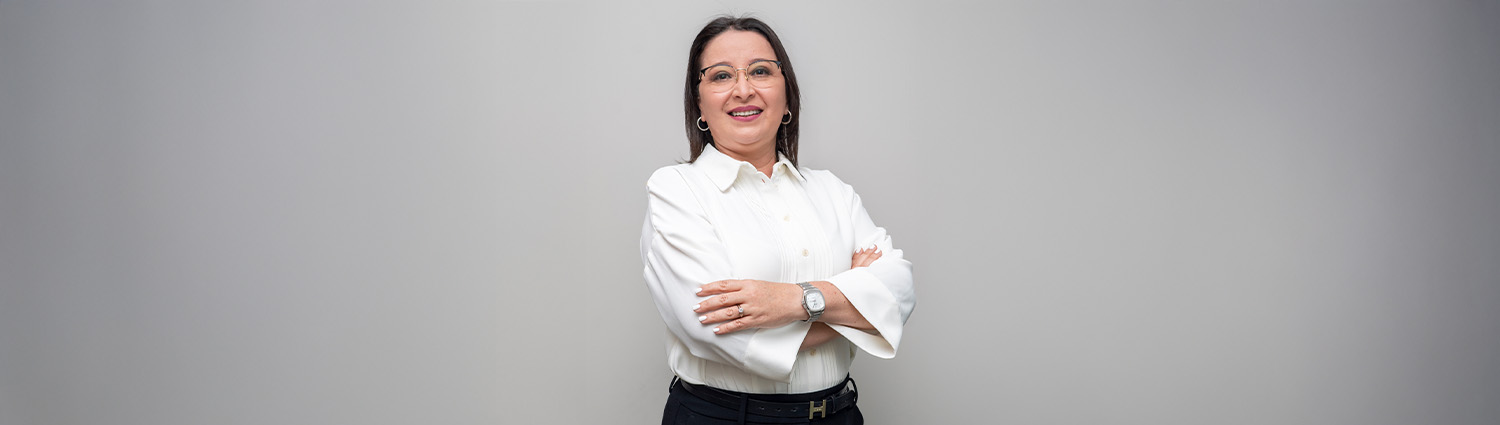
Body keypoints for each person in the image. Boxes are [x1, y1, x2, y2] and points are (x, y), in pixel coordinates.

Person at [641, 16, 916, 425]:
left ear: (787, 97)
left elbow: (898, 291)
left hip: (840, 415)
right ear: (699, 104)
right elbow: (720, 333)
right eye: (721, 75)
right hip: (726, 418)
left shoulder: (833, 191)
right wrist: (857, 304)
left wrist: (791, 300)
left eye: (760, 71)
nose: (743, 89)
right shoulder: (676, 190)